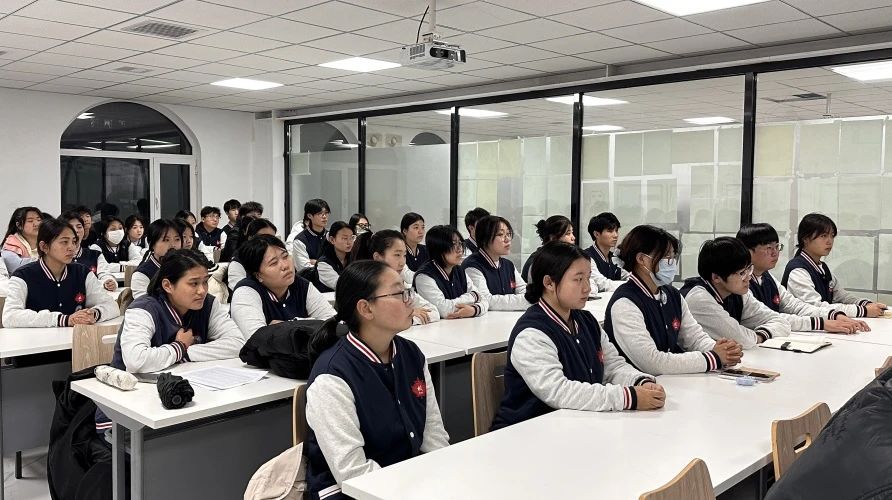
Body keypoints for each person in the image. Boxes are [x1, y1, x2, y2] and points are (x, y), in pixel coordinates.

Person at [304, 260, 449, 499]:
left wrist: (445, 479)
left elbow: (433, 434)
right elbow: (353, 473)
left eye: (408, 291)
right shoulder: (332, 377)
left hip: (407, 480)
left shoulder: (411, 354)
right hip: (353, 492)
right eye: (399, 293)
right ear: (366, 309)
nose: (410, 300)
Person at [490, 242, 665, 431]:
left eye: (588, 278)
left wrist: (640, 381)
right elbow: (559, 391)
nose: (587, 288)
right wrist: (629, 397)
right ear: (549, 283)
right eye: (578, 279)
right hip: (527, 433)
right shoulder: (531, 333)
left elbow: (613, 366)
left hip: (576, 426)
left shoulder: (587, 321)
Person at [603, 225, 742, 375]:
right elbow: (652, 362)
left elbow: (694, 337)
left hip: (671, 380)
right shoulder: (625, 303)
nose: (672, 262)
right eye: (666, 257)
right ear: (642, 259)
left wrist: (721, 350)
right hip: (642, 383)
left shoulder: (672, 294)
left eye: (673, 256)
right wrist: (713, 358)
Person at [108, 249, 245, 373]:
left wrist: (184, 351)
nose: (202, 291)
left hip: (185, 381)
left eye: (205, 282)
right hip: (131, 388)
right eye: (194, 283)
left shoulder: (208, 303)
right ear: (168, 285)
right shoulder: (143, 309)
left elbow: (238, 343)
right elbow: (136, 361)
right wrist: (178, 347)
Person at [738, 223, 867, 333]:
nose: (775, 253)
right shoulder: (741, 282)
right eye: (768, 248)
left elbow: (794, 305)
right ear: (747, 251)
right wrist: (822, 322)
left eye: (777, 247)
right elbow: (768, 317)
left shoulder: (767, 276)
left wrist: (833, 315)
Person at [2, 218, 119, 327]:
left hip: (75, 340)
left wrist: (94, 313)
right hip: (36, 341)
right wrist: (63, 319)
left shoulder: (82, 273)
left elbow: (112, 306)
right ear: (44, 247)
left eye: (74, 241)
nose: (72, 247)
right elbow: (9, 316)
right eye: (64, 242)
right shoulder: (23, 276)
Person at [680, 237, 792, 348]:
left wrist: (761, 335)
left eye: (749, 269)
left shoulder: (738, 292)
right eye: (742, 273)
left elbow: (781, 322)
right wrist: (758, 337)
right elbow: (741, 339)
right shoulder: (699, 299)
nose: (748, 277)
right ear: (716, 277)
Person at [230, 235, 336, 339]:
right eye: (274, 263)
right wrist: (312, 325)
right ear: (258, 275)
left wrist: (288, 325)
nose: (285, 266)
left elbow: (335, 324)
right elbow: (257, 339)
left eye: (285, 256)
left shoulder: (301, 285)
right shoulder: (245, 292)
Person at [782, 213, 886, 318]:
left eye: (832, 236)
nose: (829, 241)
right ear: (805, 238)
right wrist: (863, 310)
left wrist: (867, 304)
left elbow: (842, 296)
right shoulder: (798, 270)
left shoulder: (822, 267)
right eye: (823, 236)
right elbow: (815, 307)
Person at [413, 225, 488, 319]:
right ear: (438, 249)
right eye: (453, 244)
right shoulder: (424, 277)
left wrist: (474, 310)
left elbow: (484, 300)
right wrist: (473, 296)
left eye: (460, 243)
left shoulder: (459, 270)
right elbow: (444, 310)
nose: (460, 249)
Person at [370, 229, 440, 325]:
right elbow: (381, 320)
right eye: (397, 255)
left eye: (404, 255)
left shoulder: (403, 285)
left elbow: (434, 312)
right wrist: (408, 313)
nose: (402, 262)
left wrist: (409, 318)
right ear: (377, 257)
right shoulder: (368, 285)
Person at [463, 215, 529, 311]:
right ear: (485, 238)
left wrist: (528, 298)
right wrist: (526, 300)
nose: (507, 239)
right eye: (500, 234)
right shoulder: (472, 266)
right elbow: (485, 300)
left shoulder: (508, 265)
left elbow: (524, 291)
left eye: (508, 234)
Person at [61, 211, 116, 291]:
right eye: (70, 227)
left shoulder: (95, 254)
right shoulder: (56, 256)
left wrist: (108, 281)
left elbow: (104, 273)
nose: (76, 230)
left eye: (79, 227)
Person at [130, 219, 182, 299]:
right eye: (166, 240)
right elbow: (145, 304)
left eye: (177, 239)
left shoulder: (185, 267)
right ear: (152, 244)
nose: (173, 245)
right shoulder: (141, 275)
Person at [226, 218, 277, 291]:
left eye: (273, 239)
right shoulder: (238, 262)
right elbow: (240, 291)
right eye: (264, 238)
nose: (269, 242)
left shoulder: (277, 257)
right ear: (250, 238)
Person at [521, 215, 575, 283]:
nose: (573, 238)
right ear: (553, 238)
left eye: (572, 232)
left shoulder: (567, 257)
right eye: (568, 234)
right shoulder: (538, 261)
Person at [583, 212, 628, 293]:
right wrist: (630, 285)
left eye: (616, 230)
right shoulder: (586, 257)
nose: (615, 235)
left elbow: (626, 275)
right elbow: (602, 284)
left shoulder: (613, 257)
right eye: (610, 231)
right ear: (596, 234)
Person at [288, 198, 330, 269]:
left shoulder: (331, 236)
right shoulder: (300, 240)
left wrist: (316, 262)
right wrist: (326, 266)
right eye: (320, 213)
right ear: (309, 216)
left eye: (326, 213)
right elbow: (304, 269)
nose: (324, 216)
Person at [315, 221, 355, 293]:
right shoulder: (323, 263)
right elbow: (340, 285)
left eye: (352, 237)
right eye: (345, 238)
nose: (349, 242)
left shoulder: (353, 257)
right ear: (332, 240)